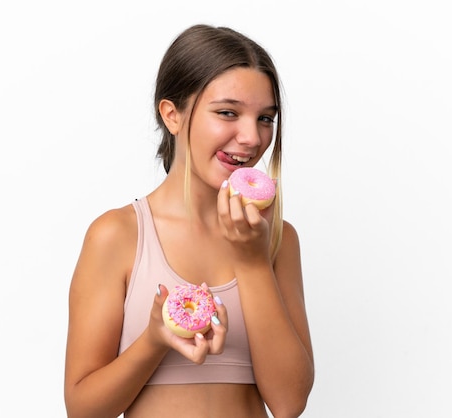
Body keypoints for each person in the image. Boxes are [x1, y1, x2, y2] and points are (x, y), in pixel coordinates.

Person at [64, 24, 314, 418]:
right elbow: (83, 409)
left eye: (266, 118)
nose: (252, 137)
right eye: (228, 112)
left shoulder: (277, 239)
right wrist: (154, 340)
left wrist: (251, 260)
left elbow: (288, 403)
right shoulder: (117, 235)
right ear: (172, 115)